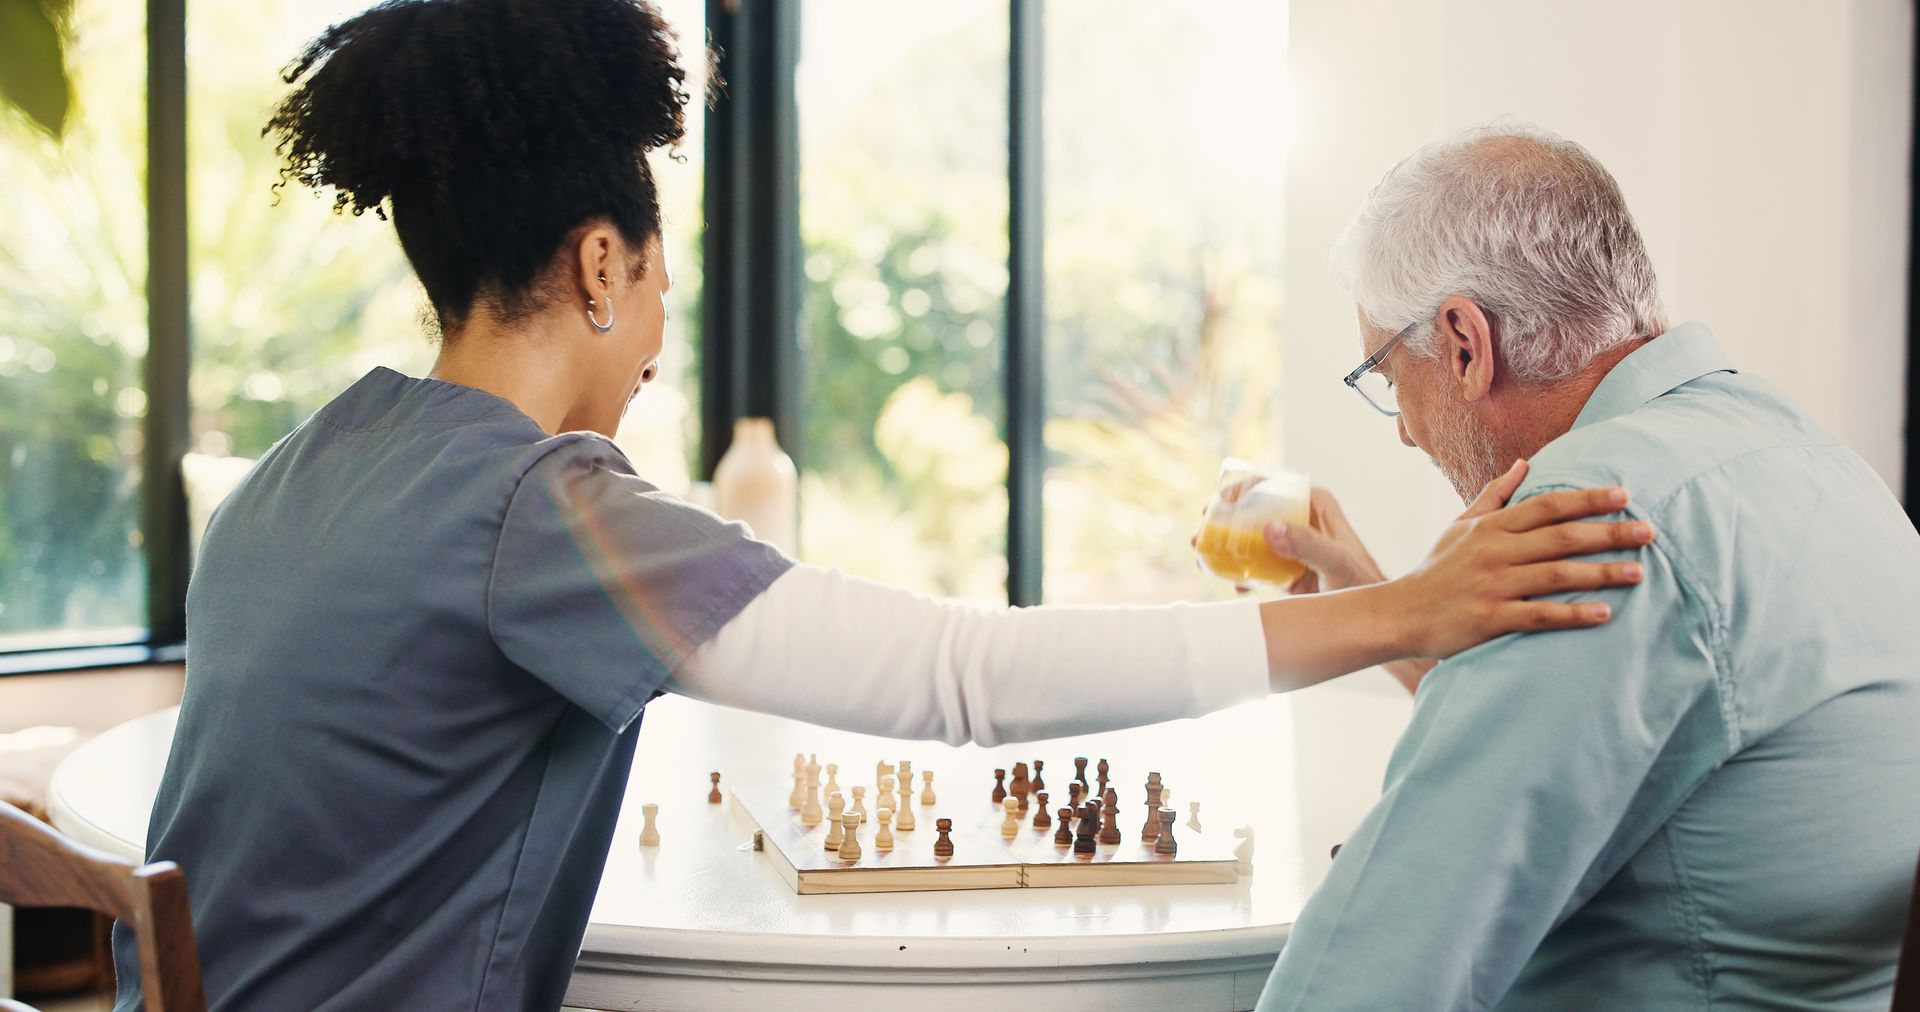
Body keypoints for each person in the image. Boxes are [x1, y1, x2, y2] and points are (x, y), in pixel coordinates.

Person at [110, 6, 1651, 1010]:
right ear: (601, 265)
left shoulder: (297, 474)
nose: (656, 348)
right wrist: (1401, 610)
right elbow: (954, 679)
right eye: (660, 289)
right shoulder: (537, 510)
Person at [1253, 125, 1920, 1009]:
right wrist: (1389, 601)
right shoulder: (1806, 456)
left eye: (1387, 376)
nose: (1407, 431)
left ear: (1465, 343)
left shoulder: (1590, 517)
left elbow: (1365, 981)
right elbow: (1602, 729)